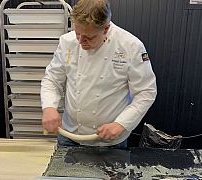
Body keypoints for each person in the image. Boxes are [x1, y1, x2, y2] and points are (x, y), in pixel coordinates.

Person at [41, 0, 157, 149]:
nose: (81, 42)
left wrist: (121, 124)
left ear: (106, 29)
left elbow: (145, 92)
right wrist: (49, 107)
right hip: (69, 136)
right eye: (78, 34)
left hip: (109, 141)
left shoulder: (130, 46)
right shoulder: (67, 42)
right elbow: (52, 79)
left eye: (89, 37)